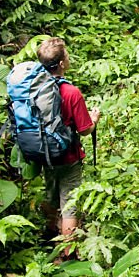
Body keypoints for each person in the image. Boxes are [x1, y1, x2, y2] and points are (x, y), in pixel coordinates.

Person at [35, 37, 100, 247]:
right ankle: (66, 254)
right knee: (69, 204)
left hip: (42, 154)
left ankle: (48, 237)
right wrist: (94, 119)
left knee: (51, 193)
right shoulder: (71, 93)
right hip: (69, 158)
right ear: (62, 63)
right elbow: (84, 130)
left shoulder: (33, 89)